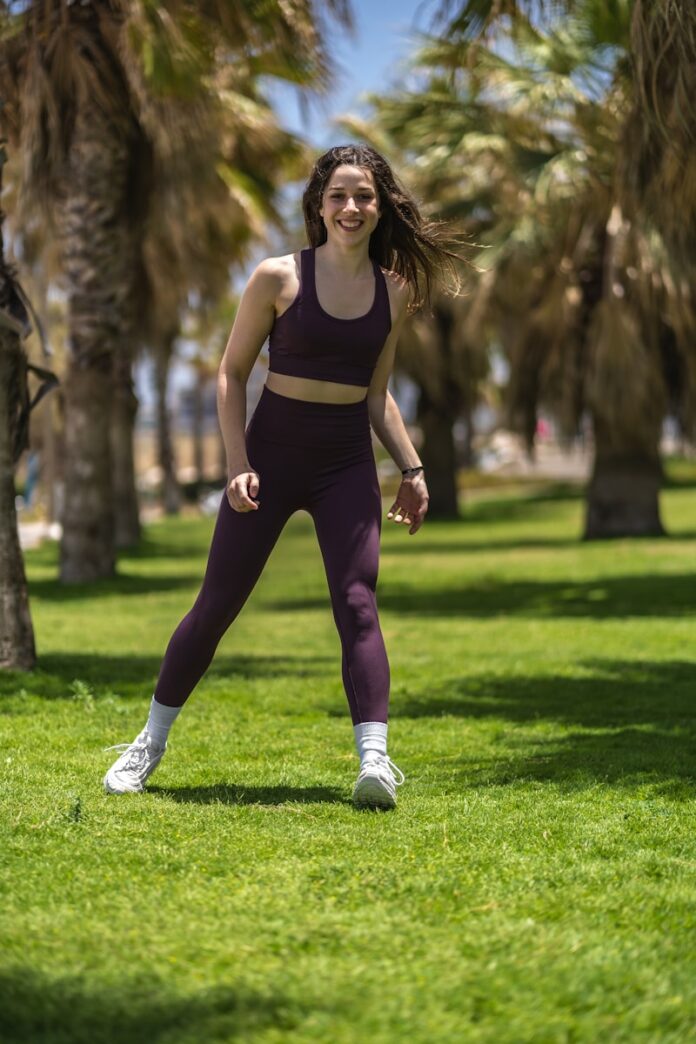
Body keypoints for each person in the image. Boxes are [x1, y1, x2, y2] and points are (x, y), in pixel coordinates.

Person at [103, 144, 461, 809]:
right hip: (269, 457)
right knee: (216, 607)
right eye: (339, 196)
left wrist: (412, 469)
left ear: (381, 209)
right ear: (319, 206)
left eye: (364, 197)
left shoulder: (394, 290)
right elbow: (231, 373)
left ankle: (375, 761)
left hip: (345, 462)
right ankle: (147, 746)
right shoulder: (278, 278)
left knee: (357, 602)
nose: (351, 208)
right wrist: (237, 465)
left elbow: (377, 395)